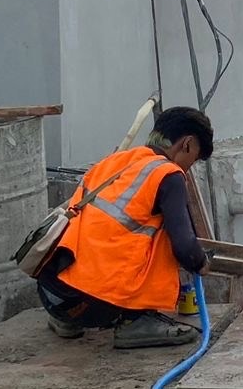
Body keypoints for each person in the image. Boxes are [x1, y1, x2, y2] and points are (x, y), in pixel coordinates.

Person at [38, 107, 213, 349]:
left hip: (52, 295)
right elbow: (184, 247)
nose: (188, 168)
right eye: (193, 159)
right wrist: (201, 263)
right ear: (187, 144)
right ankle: (135, 321)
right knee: (161, 233)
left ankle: (67, 322)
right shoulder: (167, 174)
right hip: (92, 304)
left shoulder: (113, 162)